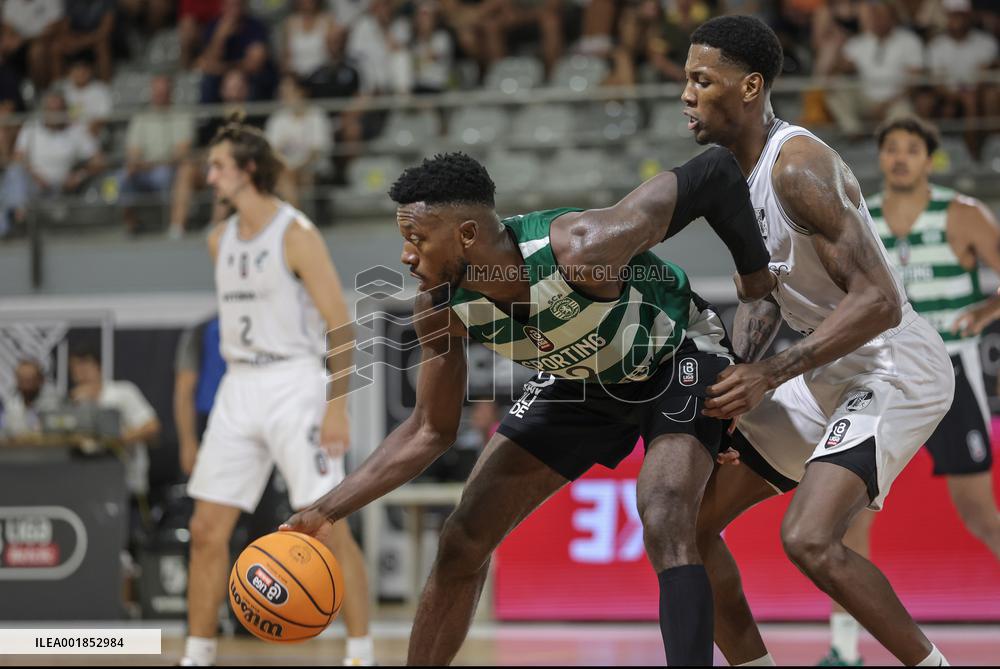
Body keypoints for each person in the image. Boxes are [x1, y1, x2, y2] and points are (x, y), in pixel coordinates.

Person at [282, 148, 777, 666]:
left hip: (673, 356)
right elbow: (429, 429)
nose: (407, 255)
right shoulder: (440, 308)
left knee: (666, 514)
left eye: (417, 238)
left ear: (466, 234)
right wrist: (325, 510)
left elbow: (715, 171)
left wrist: (756, 285)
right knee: (463, 539)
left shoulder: (582, 248)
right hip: (581, 381)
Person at [680, 16, 955, 667]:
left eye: (702, 80)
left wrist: (769, 374)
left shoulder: (797, 167)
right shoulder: (729, 177)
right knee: (683, 526)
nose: (686, 94)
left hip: (893, 365)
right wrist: (738, 384)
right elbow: (761, 297)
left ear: (750, 87)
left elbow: (879, 300)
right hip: (823, 368)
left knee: (808, 538)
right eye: (686, 80)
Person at [179, 113, 374, 668]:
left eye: (218, 166)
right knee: (205, 529)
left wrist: (337, 407)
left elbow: (341, 325)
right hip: (239, 385)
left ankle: (361, 654)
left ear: (247, 170)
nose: (209, 177)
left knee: (327, 526)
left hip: (295, 383)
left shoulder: (296, 234)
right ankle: (197, 655)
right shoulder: (218, 240)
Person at [814, 115, 1000, 667]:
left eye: (911, 149)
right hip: (882, 375)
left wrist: (987, 310)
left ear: (928, 159)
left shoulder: (962, 213)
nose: (899, 157)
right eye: (890, 148)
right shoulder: (860, 217)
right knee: (849, 516)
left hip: (950, 372)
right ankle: (844, 648)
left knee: (980, 515)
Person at [68, 344, 161, 505]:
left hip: (127, 484)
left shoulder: (122, 392)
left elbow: (152, 427)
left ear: (98, 367)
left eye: (85, 365)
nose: (81, 372)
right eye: (76, 368)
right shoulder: (73, 402)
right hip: (88, 488)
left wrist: (117, 438)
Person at [119, 74, 196, 237]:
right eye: (157, 90)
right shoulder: (141, 117)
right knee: (122, 176)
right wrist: (138, 164)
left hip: (169, 168)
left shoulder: (182, 115)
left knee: (164, 175)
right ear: (151, 91)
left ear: (171, 91)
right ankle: (132, 225)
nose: (160, 94)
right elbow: (133, 151)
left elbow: (181, 152)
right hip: (143, 168)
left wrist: (152, 164)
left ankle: (173, 225)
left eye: (164, 90)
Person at [0, 359, 60, 439]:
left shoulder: (54, 403)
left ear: (40, 380)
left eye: (30, 379)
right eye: (22, 379)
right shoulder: (7, 405)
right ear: (17, 380)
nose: (26, 385)